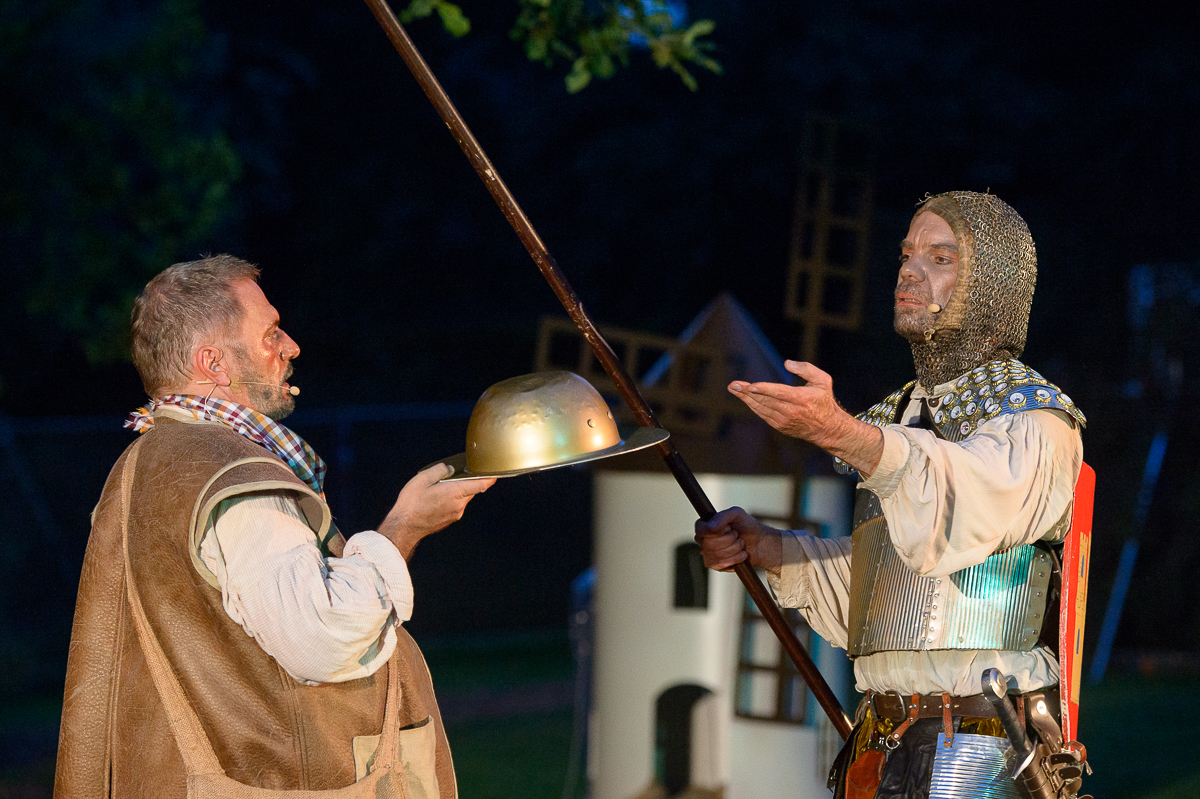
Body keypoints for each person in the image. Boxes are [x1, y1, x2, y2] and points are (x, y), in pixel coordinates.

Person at [54, 255, 495, 798]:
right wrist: (404, 527)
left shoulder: (145, 463)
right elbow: (323, 638)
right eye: (270, 334)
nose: (291, 346)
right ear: (214, 363)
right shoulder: (226, 471)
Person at [695, 192, 1087, 798]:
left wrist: (844, 434)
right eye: (907, 255)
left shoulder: (1033, 421)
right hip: (880, 743)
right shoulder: (900, 419)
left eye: (940, 258)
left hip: (981, 745)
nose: (909, 271)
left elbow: (958, 513)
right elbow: (890, 599)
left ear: (992, 285)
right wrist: (771, 550)